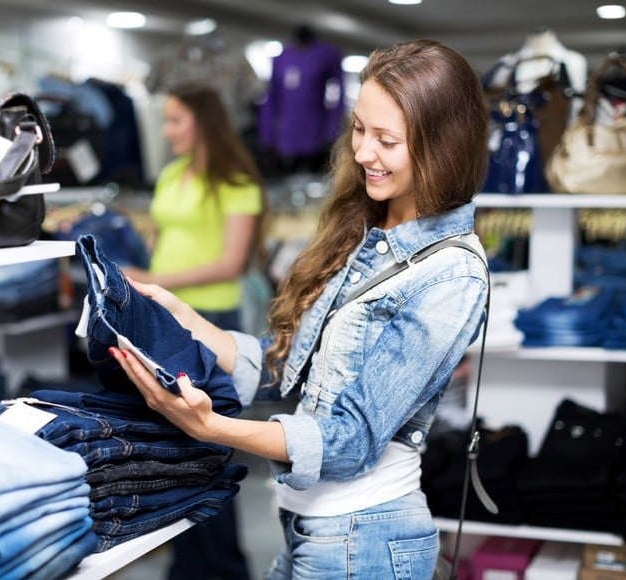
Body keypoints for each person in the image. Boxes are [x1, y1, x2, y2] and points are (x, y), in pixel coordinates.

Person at [113, 39, 490, 579]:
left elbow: (350, 440)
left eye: (387, 140)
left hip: (363, 541)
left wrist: (213, 428)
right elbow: (289, 365)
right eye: (359, 129)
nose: (362, 153)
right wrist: (185, 319)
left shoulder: (451, 274)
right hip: (307, 529)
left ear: (443, 147)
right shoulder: (366, 227)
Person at [122, 83, 267, 580]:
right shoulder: (171, 175)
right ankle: (185, 568)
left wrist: (152, 280)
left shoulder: (236, 180)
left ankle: (226, 571)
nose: (166, 131)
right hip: (160, 320)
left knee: (206, 453)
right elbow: (159, 249)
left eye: (175, 120)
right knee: (169, 453)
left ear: (203, 122)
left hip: (211, 327)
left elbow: (230, 262)